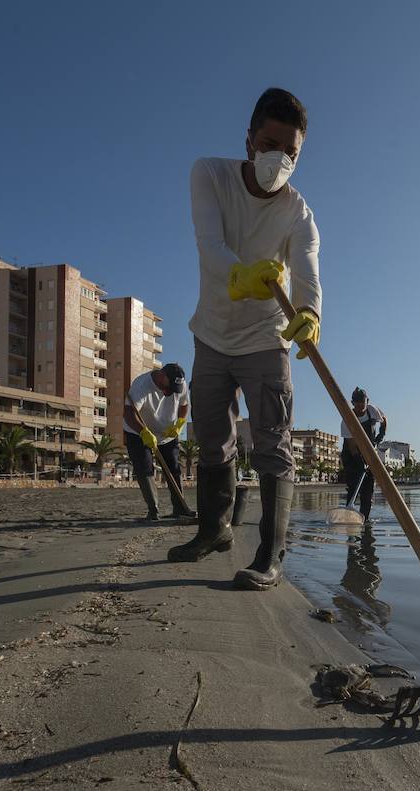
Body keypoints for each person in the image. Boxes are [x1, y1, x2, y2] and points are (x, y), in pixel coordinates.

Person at [168, 87, 322, 593]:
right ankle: (214, 530)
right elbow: (209, 243)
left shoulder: (298, 213)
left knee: (273, 443)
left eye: (291, 152)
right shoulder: (209, 174)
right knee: (212, 440)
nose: (279, 159)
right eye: (269, 144)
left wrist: (309, 314)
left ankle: (270, 556)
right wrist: (240, 275)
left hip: (266, 339)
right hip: (212, 334)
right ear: (249, 140)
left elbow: (307, 274)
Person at [123, 363, 195, 521]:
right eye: (169, 388)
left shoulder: (179, 385)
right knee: (145, 468)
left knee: (174, 468)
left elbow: (184, 405)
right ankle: (153, 510)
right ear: (161, 376)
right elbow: (129, 414)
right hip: (138, 431)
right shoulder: (141, 385)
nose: (171, 393)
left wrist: (179, 424)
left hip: (167, 433)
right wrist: (144, 432)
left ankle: (180, 509)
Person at [339, 387, 386, 520]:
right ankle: (349, 517)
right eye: (357, 405)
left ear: (367, 401)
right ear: (353, 403)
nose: (361, 408)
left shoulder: (372, 410)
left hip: (370, 453)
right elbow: (352, 445)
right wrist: (360, 462)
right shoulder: (347, 419)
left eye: (363, 404)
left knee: (368, 490)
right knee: (353, 486)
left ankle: (365, 520)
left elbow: (384, 419)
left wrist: (381, 434)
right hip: (351, 455)